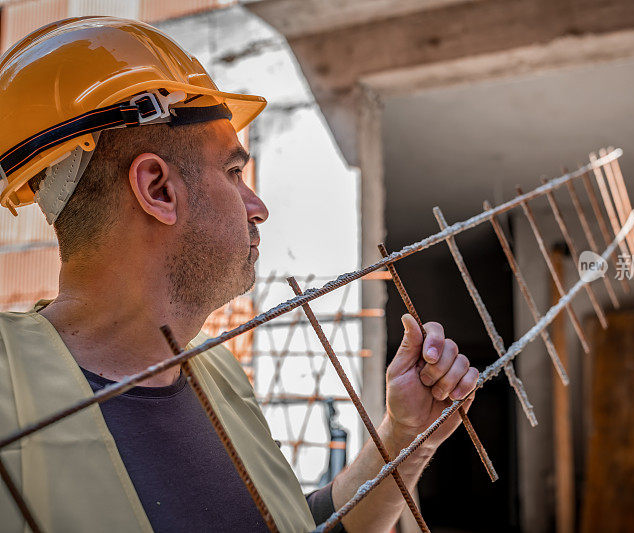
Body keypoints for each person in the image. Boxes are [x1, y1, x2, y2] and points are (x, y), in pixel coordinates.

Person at [0, 16, 479, 533]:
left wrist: (407, 438)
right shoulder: (7, 385)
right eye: (233, 172)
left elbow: (294, 525)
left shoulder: (218, 376)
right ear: (158, 190)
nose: (258, 207)